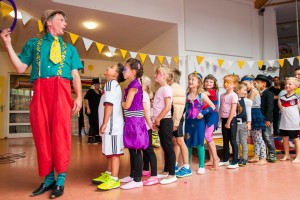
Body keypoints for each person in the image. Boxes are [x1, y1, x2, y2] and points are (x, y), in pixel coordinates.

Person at [0, 10, 83, 198]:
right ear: (49, 22)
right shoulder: (34, 44)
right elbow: (20, 67)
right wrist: (8, 44)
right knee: (41, 134)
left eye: (65, 20)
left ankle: (60, 180)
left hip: (62, 90)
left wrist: (78, 97)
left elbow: (76, 75)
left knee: (61, 134)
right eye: (62, 20)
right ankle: (48, 179)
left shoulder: (70, 49)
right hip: (39, 91)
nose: (65, 24)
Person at [92, 63, 125, 190]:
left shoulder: (111, 84)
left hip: (112, 126)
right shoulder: (110, 85)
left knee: (115, 152)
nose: (107, 67)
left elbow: (109, 105)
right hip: (110, 125)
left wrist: (105, 123)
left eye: (111, 67)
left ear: (115, 74)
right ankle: (109, 173)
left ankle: (114, 179)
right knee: (109, 151)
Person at [120, 58, 149, 189]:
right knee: (132, 150)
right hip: (132, 122)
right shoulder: (133, 84)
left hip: (135, 122)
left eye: (125, 69)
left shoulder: (134, 86)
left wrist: (120, 102)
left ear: (133, 72)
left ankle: (137, 180)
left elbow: (127, 105)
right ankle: (132, 175)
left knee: (136, 150)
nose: (123, 71)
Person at [185, 72, 215, 174]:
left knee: (199, 144)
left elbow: (212, 106)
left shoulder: (201, 95)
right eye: (189, 79)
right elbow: (185, 109)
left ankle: (201, 166)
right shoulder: (186, 95)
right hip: (188, 122)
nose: (190, 81)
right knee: (187, 144)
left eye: (193, 79)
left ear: (199, 83)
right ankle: (186, 165)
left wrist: (203, 113)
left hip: (199, 123)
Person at [152, 65, 177, 184]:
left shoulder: (167, 88)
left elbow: (167, 107)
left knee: (168, 147)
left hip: (165, 120)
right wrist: (156, 121)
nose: (155, 76)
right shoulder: (160, 89)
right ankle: (167, 170)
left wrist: (158, 119)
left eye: (157, 73)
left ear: (165, 76)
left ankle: (172, 174)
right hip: (160, 121)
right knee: (164, 146)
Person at [168, 68, 191, 178]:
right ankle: (175, 164)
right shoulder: (170, 88)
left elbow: (178, 108)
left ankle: (187, 167)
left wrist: (176, 123)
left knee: (180, 141)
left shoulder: (176, 89)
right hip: (173, 119)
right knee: (175, 141)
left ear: (171, 77)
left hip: (176, 120)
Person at [241, 75, 267, 165]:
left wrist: (243, 96)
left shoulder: (254, 91)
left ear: (251, 83)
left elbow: (248, 102)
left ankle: (263, 157)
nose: (245, 86)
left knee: (259, 137)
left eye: (246, 84)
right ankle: (256, 155)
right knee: (254, 137)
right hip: (251, 113)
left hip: (255, 113)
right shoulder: (251, 91)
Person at [141, 75, 159, 186]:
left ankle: (155, 175)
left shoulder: (144, 95)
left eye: (141, 82)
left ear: (146, 85)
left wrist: (150, 124)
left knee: (149, 150)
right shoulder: (142, 94)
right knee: (145, 149)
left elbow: (146, 112)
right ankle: (146, 169)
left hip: (146, 126)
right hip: (143, 126)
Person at [218, 74, 239, 169]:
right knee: (225, 140)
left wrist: (228, 122)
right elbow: (220, 108)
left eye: (228, 83)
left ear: (234, 84)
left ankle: (235, 161)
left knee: (232, 140)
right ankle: (225, 159)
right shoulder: (222, 95)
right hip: (224, 118)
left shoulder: (233, 95)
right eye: (224, 82)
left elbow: (233, 110)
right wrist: (219, 120)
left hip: (231, 119)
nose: (225, 84)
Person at [255, 74, 277, 163]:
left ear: (264, 84)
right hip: (259, 119)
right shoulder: (256, 93)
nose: (255, 84)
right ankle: (263, 153)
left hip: (265, 119)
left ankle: (272, 153)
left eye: (257, 83)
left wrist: (267, 119)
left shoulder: (269, 93)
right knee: (261, 137)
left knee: (267, 136)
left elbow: (270, 107)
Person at [278, 77, 300, 164]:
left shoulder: (297, 97)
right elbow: (282, 109)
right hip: (284, 121)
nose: (287, 85)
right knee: (285, 138)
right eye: (286, 84)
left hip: (294, 122)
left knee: (296, 139)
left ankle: (298, 156)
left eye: (290, 84)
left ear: (296, 86)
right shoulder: (282, 97)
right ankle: (286, 154)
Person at [203, 74, 220, 170]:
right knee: (209, 137)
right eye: (206, 81)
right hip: (206, 116)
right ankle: (211, 159)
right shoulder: (206, 91)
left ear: (214, 84)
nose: (208, 83)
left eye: (210, 82)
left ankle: (216, 159)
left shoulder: (212, 92)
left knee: (208, 135)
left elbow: (202, 95)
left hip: (212, 116)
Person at [235, 83, 252, 166]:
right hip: (235, 123)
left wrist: (249, 123)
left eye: (246, 90)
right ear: (238, 90)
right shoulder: (234, 99)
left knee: (243, 141)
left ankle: (245, 158)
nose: (245, 92)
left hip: (243, 123)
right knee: (236, 141)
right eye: (244, 90)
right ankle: (237, 157)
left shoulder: (246, 101)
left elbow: (248, 112)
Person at [84, 78, 101, 143]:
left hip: (97, 111)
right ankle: (90, 138)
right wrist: (88, 108)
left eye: (98, 84)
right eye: (96, 84)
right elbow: (86, 99)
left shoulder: (99, 92)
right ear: (93, 85)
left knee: (97, 123)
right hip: (91, 110)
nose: (98, 85)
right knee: (92, 123)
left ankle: (97, 137)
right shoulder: (90, 91)